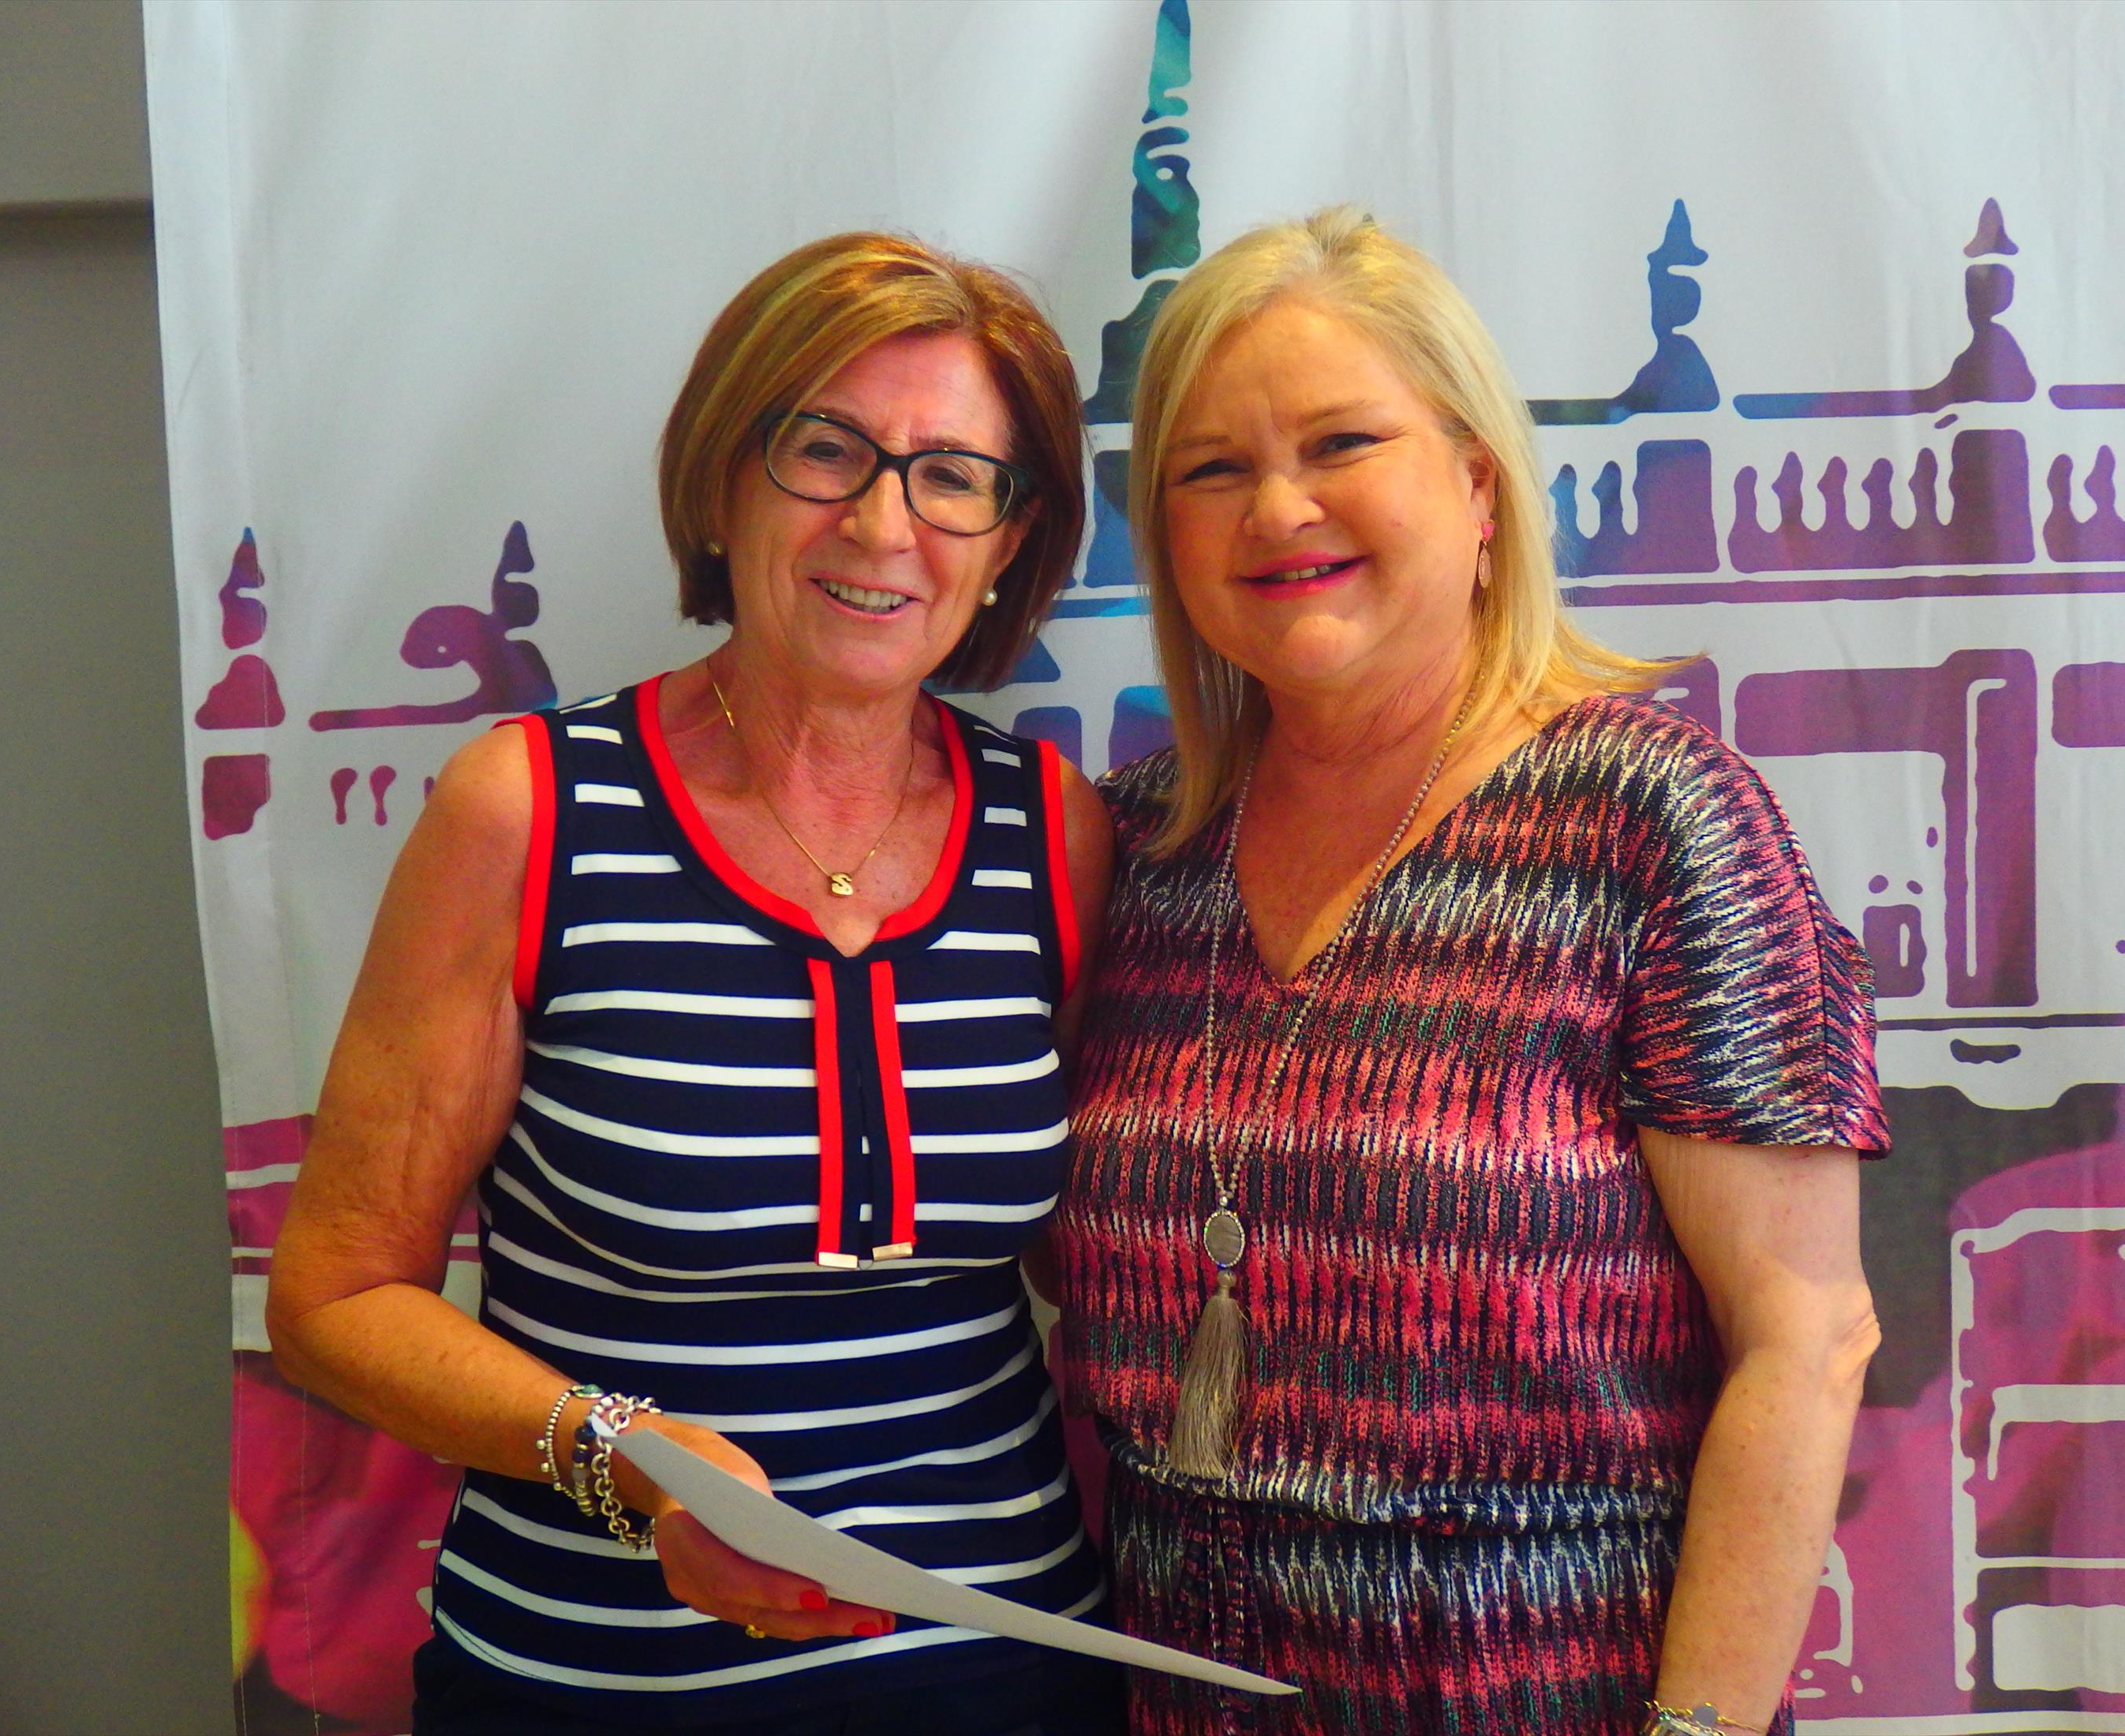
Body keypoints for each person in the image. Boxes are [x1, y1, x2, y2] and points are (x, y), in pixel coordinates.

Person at [267, 230, 1122, 1735]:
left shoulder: (1051, 830)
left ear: (1010, 541)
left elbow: (1083, 1268)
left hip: (1007, 1664)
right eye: (825, 450)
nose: (882, 522)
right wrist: (627, 1457)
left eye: (951, 477)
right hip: (598, 1682)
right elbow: (334, 1298)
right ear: (722, 485)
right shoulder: (531, 812)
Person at [1053, 208, 1887, 1735]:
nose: (1277, 507)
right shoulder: (1138, 852)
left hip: (1559, 1697)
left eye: (1341, 442)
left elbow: (1807, 1343)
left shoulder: (1653, 821)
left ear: (1480, 483)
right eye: (1212, 469)